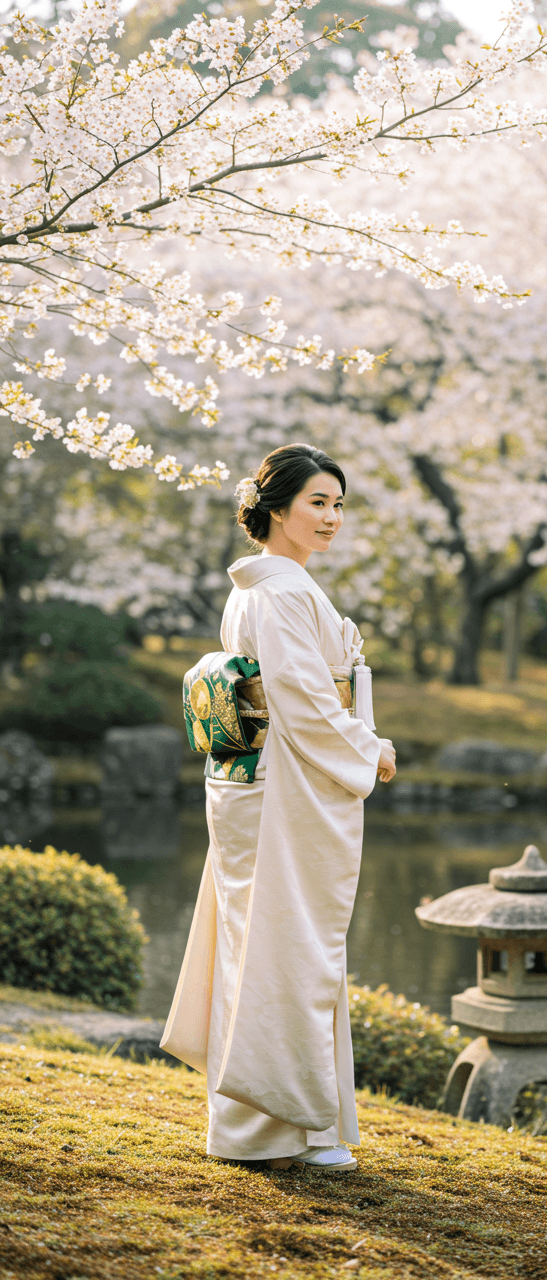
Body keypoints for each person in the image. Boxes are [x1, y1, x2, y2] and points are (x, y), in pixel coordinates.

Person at [160, 443, 396, 1173]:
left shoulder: (257, 588)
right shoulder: (284, 591)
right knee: (290, 947)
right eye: (317, 503)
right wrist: (370, 748)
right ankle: (284, 1127)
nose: (330, 518)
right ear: (276, 507)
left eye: (338, 505)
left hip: (246, 781)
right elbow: (300, 700)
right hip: (284, 780)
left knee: (256, 942)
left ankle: (272, 1123)